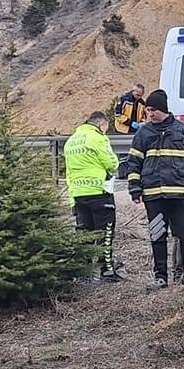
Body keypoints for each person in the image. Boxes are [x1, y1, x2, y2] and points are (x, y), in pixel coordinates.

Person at [124, 88, 184, 287]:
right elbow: (134, 162)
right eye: (148, 110)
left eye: (153, 109)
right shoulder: (143, 133)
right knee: (157, 237)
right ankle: (160, 277)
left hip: (180, 196)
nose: (149, 113)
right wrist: (134, 188)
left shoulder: (183, 130)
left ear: (163, 109)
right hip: (153, 195)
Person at [64, 110, 122, 281]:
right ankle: (107, 270)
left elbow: (69, 172)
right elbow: (112, 164)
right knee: (106, 233)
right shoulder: (98, 138)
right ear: (100, 124)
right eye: (105, 127)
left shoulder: (71, 140)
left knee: (84, 234)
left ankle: (84, 272)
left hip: (78, 194)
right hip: (99, 192)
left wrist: (72, 199)